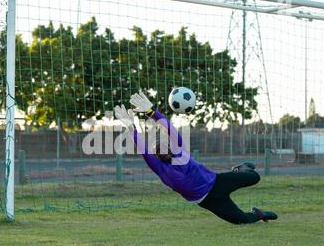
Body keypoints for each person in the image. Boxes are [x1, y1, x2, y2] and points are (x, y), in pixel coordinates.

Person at [114, 92, 278, 225]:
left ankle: (238, 170)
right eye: (157, 150)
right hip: (206, 201)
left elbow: (168, 127)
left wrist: (151, 112)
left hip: (217, 183)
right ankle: (260, 214)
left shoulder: (180, 152)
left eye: (163, 145)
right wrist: (130, 128)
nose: (160, 149)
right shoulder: (161, 169)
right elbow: (143, 148)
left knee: (255, 177)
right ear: (155, 157)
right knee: (241, 220)